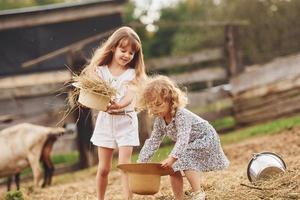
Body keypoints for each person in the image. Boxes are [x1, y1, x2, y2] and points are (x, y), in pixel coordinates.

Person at [137, 75, 229, 200]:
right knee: (173, 168)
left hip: (205, 138)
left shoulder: (181, 115)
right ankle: (178, 198)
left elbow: (183, 138)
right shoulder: (159, 120)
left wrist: (172, 158)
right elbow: (153, 141)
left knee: (184, 159)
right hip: (189, 143)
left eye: (158, 104)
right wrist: (141, 162)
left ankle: (198, 193)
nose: (154, 109)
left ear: (171, 100)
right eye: (151, 106)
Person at [82, 26, 147, 200]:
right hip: (105, 122)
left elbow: (129, 95)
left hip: (126, 121)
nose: (127, 55)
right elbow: (89, 75)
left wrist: (119, 105)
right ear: (113, 47)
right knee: (103, 168)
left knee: (125, 166)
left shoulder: (132, 74)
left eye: (131, 53)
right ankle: (100, 198)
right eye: (123, 50)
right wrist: (94, 78)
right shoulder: (101, 71)